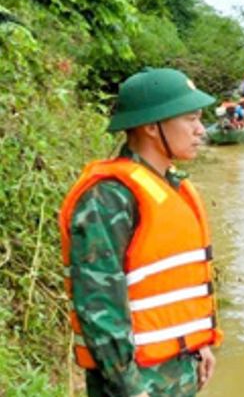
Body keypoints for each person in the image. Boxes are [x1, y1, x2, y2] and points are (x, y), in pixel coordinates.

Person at [59, 68, 222, 397]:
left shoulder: (172, 185)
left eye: (200, 119)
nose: (200, 131)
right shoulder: (109, 198)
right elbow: (99, 306)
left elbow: (170, 289)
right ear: (151, 126)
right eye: (190, 119)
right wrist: (130, 388)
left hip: (178, 370)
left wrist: (199, 344)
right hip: (135, 382)